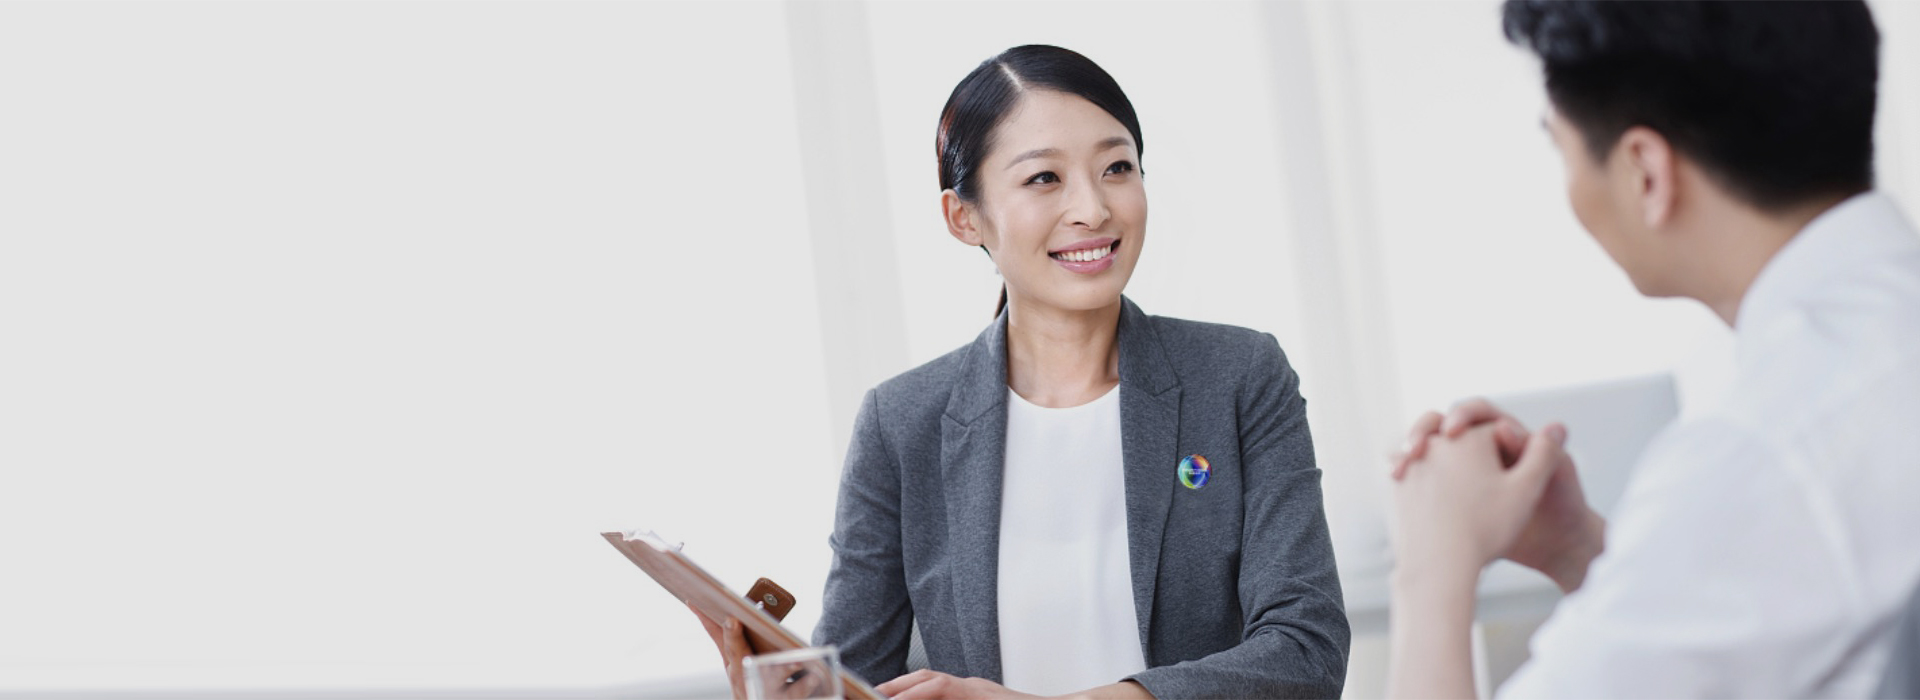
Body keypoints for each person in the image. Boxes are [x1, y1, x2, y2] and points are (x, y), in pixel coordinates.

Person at [695, 45, 1350, 699]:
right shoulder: (900, 423)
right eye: (1044, 178)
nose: (1093, 208)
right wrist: (786, 688)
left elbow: (1306, 651)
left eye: (1117, 167)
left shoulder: (1238, 377)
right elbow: (857, 681)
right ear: (964, 217)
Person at [1385, 1, 1920, 697]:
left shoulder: (1761, 450)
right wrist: (1580, 550)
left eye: (1560, 148)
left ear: (1645, 172)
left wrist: (1431, 568)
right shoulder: (1869, 358)